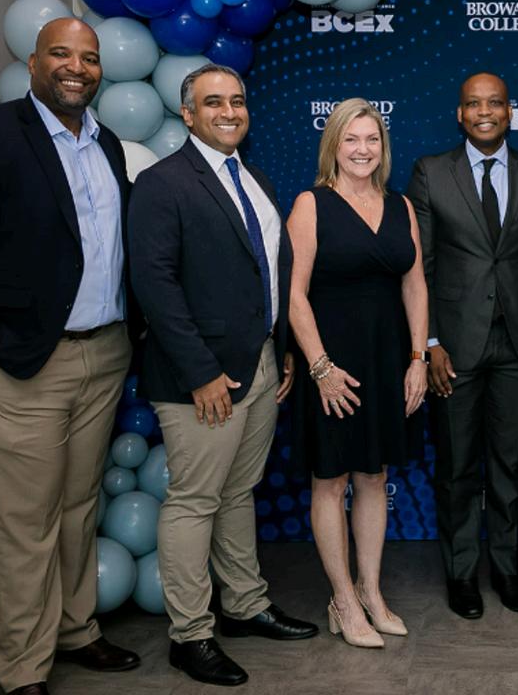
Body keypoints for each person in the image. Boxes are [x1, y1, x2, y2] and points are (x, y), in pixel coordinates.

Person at [0, 17, 139, 695]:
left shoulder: (107, 145)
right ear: (34, 62)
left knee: (78, 507)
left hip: (103, 353)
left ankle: (76, 630)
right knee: (23, 522)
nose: (76, 67)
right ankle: (22, 666)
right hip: (20, 365)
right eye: (61, 54)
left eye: (89, 58)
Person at [128, 65, 317, 687]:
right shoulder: (162, 183)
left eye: (237, 101)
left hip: (259, 362)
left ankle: (244, 605)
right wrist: (201, 372)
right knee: (195, 501)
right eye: (213, 103)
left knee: (238, 491)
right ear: (188, 114)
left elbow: (266, 271)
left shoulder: (254, 178)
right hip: (202, 377)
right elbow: (154, 285)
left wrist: (280, 349)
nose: (229, 111)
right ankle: (190, 635)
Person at [407, 73, 518, 619]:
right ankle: (460, 574)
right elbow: (421, 266)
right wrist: (428, 342)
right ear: (460, 114)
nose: (484, 112)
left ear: (509, 112)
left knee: (509, 463)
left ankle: (505, 569)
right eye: (473, 104)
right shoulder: (431, 172)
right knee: (456, 467)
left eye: (494, 103)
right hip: (453, 347)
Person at [286, 98, 428, 648]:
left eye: (372, 139)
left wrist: (417, 359)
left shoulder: (401, 206)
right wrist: (320, 367)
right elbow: (294, 296)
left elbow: (414, 285)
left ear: (383, 147)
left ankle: (370, 592)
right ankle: (342, 600)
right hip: (332, 364)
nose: (362, 149)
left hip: (387, 360)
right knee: (331, 479)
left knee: (373, 476)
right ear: (333, 145)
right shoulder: (311, 204)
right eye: (351, 139)